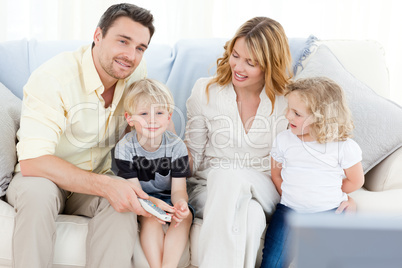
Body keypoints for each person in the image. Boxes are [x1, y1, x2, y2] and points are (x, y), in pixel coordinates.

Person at [6, 3, 155, 268]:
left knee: (121, 205)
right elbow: (33, 161)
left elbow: (145, 136)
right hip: (42, 177)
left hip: (94, 178)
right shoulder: (54, 78)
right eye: (123, 41)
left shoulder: (135, 74)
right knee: (38, 195)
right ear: (98, 36)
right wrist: (107, 185)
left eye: (140, 48)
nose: (131, 55)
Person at [184, 17, 292, 268]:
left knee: (229, 176)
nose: (238, 67)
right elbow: (193, 158)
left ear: (269, 65)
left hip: (263, 185)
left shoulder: (288, 101)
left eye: (251, 62)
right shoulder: (205, 91)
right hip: (208, 187)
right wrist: (160, 148)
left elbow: (310, 152)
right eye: (235, 55)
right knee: (251, 217)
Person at [260, 77, 365, 268]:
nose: (288, 116)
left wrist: (331, 192)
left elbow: (356, 180)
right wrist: (294, 195)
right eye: (288, 109)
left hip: (330, 212)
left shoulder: (343, 146)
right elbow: (276, 174)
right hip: (289, 212)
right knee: (272, 262)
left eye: (297, 113)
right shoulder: (284, 140)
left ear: (321, 118)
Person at [114, 78, 193, 268]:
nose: (151, 119)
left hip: (169, 196)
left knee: (185, 216)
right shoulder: (124, 148)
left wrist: (180, 204)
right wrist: (151, 204)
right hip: (141, 198)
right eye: (143, 113)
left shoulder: (177, 146)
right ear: (129, 119)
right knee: (151, 220)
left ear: (168, 117)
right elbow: (135, 192)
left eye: (159, 112)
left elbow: (178, 190)